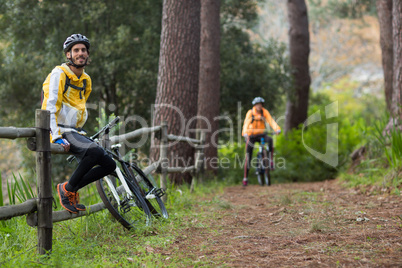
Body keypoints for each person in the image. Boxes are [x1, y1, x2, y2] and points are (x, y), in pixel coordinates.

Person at [41, 34, 116, 213]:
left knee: (109, 165)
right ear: (68, 54)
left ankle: (69, 187)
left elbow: (78, 107)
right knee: (94, 151)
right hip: (57, 129)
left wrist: (79, 131)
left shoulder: (86, 80)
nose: (80, 53)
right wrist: (57, 136)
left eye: (83, 50)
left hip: (75, 131)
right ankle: (67, 190)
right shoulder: (59, 74)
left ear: (87, 54)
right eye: (76, 50)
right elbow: (50, 106)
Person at [241, 97, 281, 186]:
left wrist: (277, 129)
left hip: (261, 134)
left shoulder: (264, 111)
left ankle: (270, 160)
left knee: (270, 140)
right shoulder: (250, 113)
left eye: (261, 104)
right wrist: (245, 133)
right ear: (255, 105)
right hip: (251, 135)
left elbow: (271, 121)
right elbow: (246, 124)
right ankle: (245, 178)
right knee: (248, 156)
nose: (259, 106)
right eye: (257, 104)